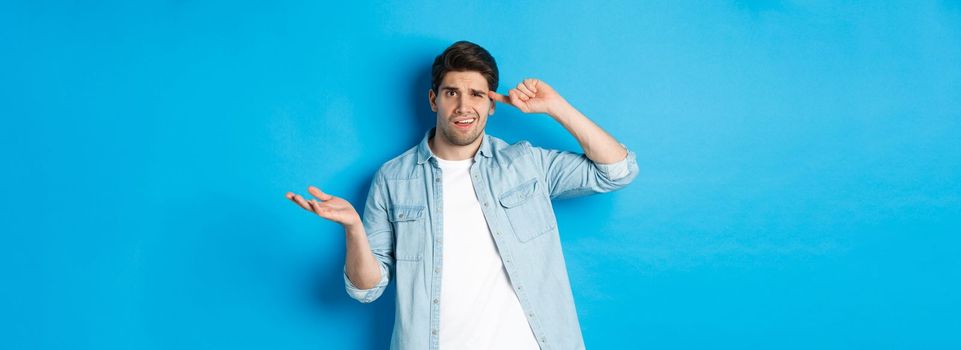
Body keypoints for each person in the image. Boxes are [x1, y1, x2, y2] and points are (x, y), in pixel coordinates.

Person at [286, 40, 638, 349]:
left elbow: (616, 170)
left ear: (492, 104)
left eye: (477, 94)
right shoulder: (393, 178)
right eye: (452, 92)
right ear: (433, 99)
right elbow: (366, 289)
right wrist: (352, 228)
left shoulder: (526, 163)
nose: (463, 106)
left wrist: (556, 106)